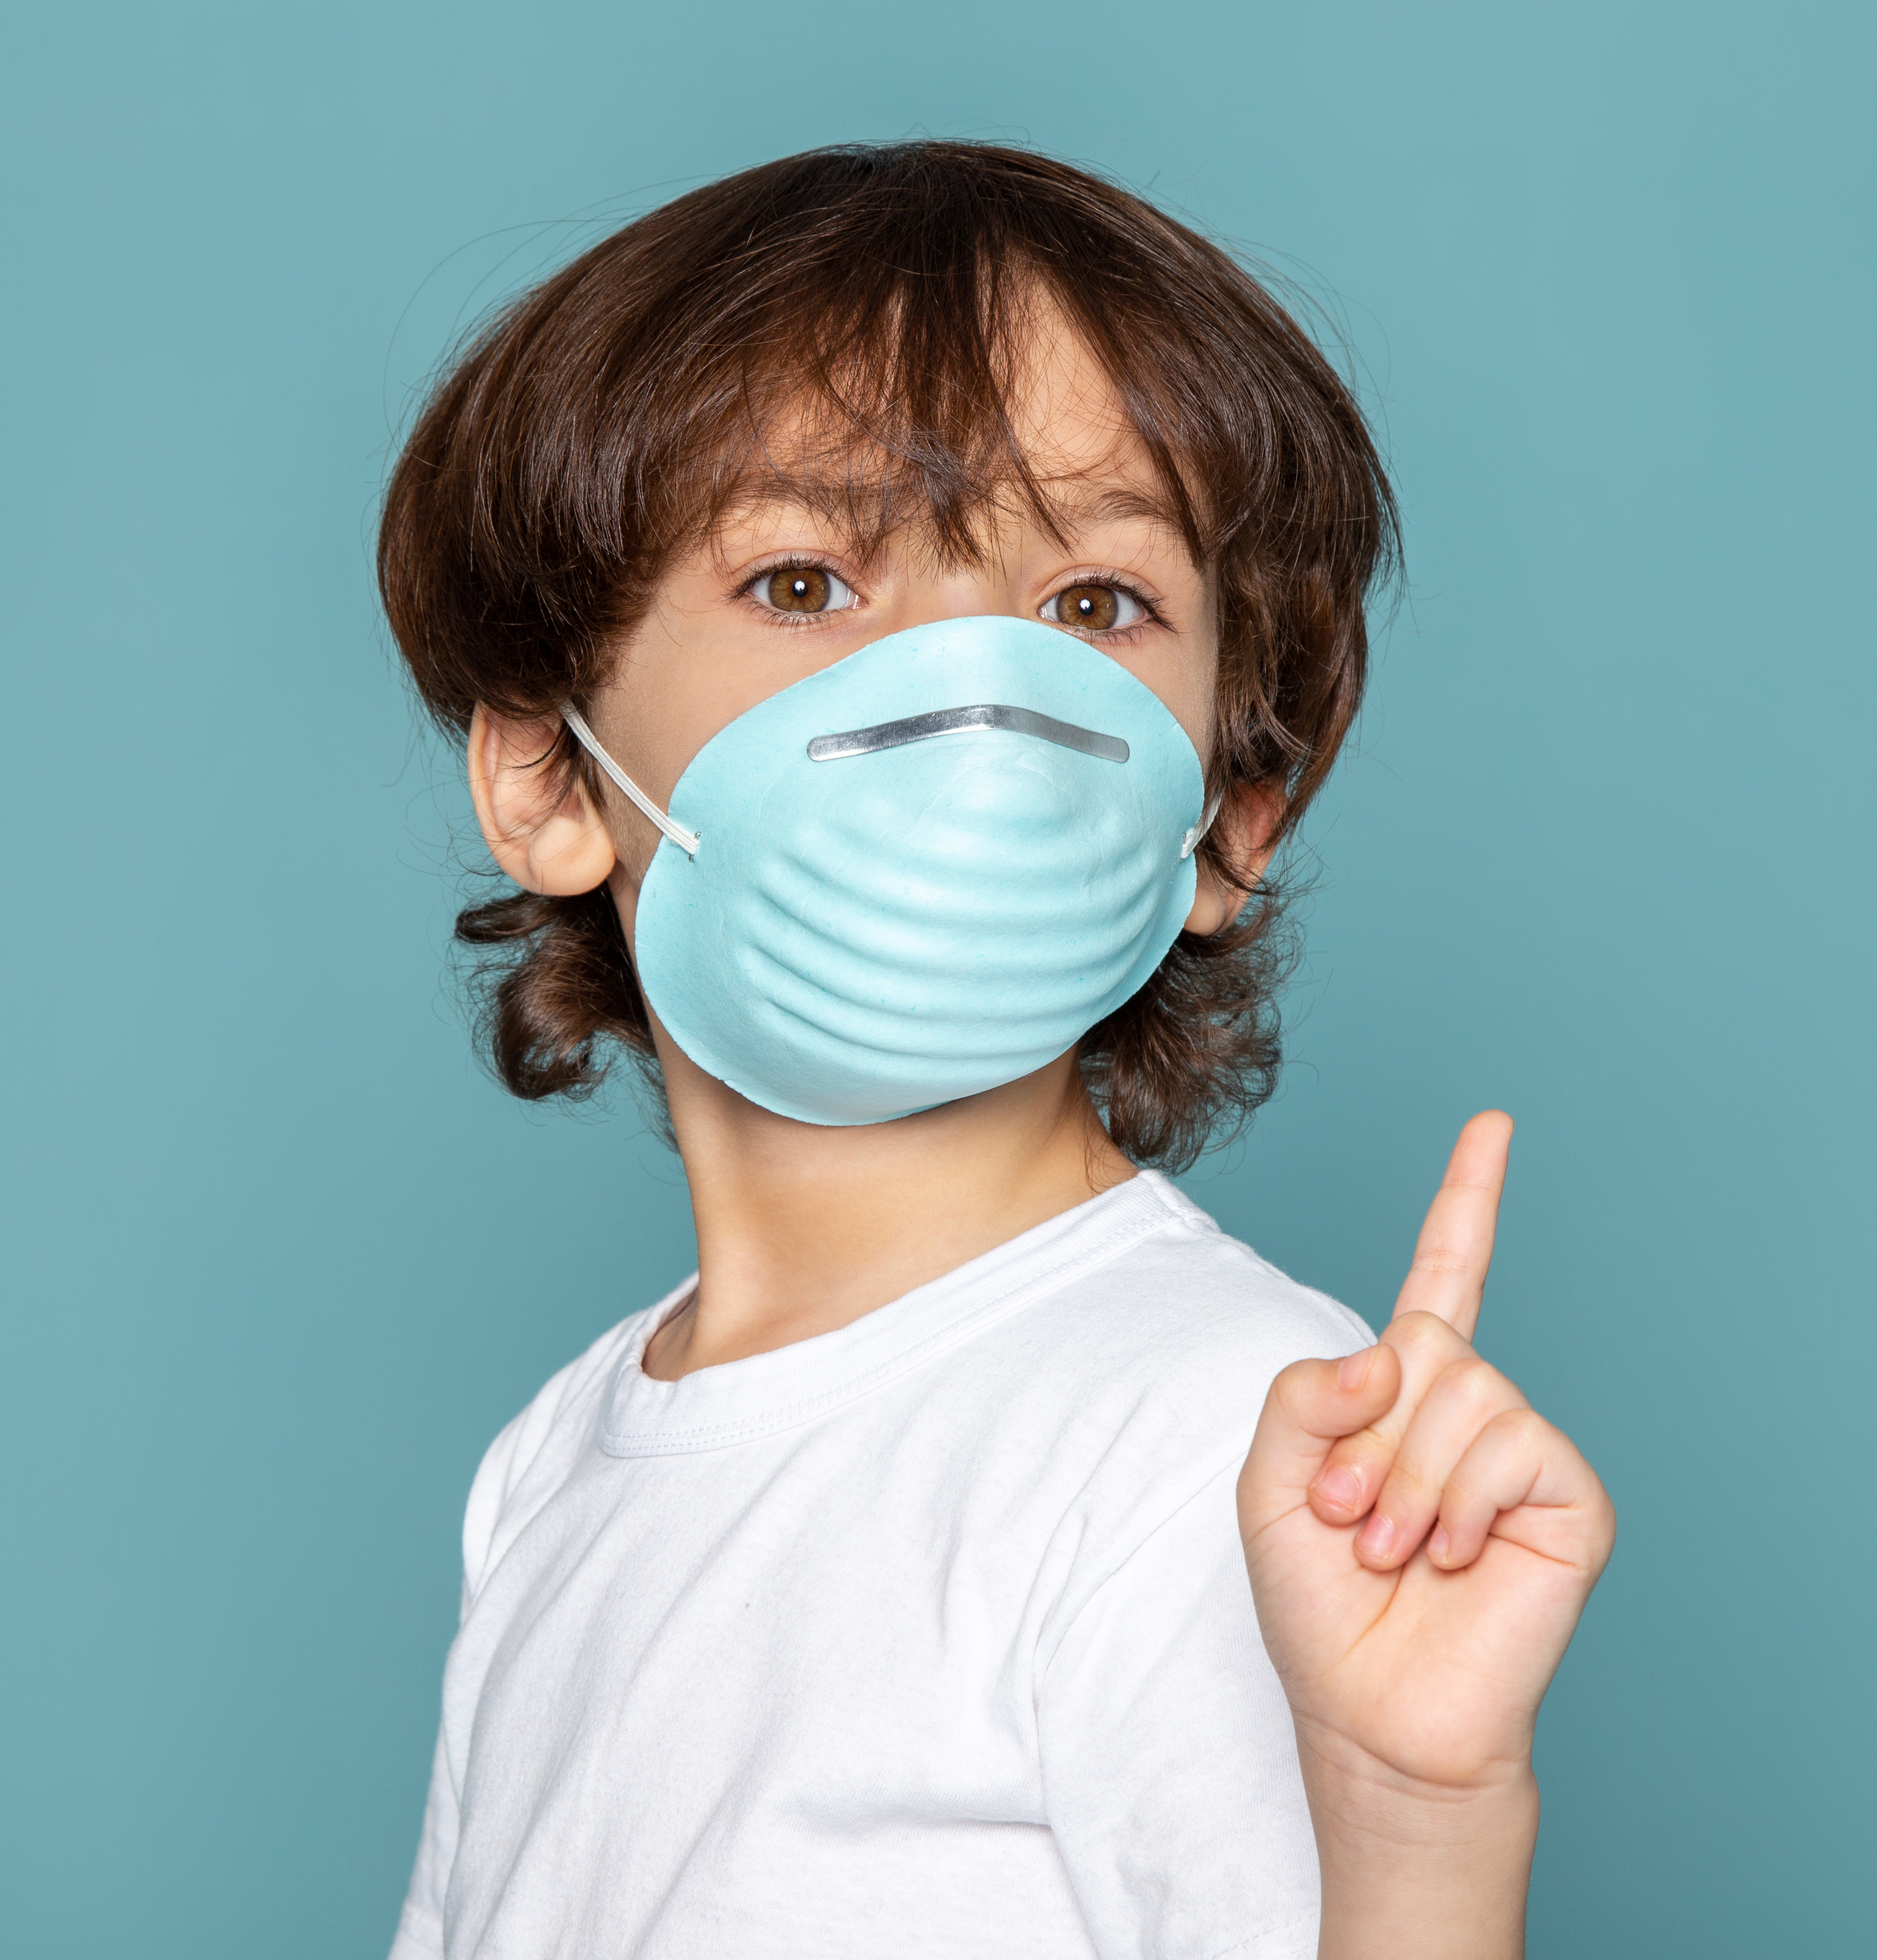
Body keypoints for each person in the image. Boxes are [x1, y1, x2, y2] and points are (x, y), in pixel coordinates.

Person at [376, 140, 1613, 1959]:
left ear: (1228, 817)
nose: (972, 704)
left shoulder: (1240, 1433)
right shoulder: (558, 1458)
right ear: (551, 775)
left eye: (1093, 607)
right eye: (805, 583)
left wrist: (1415, 1833)